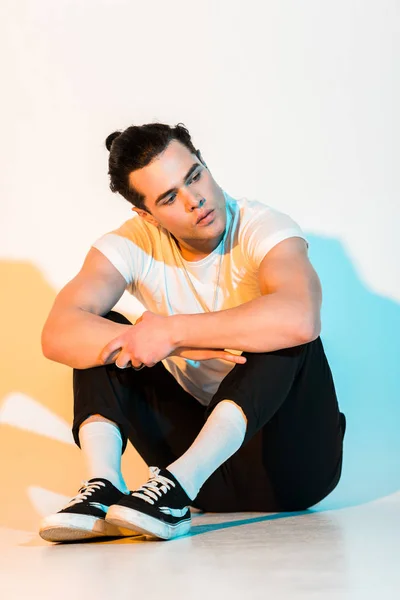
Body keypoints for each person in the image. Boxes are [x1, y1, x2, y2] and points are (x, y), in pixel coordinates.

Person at [39, 122, 346, 543]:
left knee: (283, 331)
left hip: (295, 469)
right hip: (207, 481)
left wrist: (174, 334)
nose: (194, 199)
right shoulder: (132, 244)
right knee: (103, 332)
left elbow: (301, 317)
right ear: (146, 215)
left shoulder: (264, 226)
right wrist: (136, 339)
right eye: (169, 197)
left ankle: (175, 489)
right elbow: (58, 333)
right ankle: (104, 489)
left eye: (195, 175)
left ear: (205, 164)